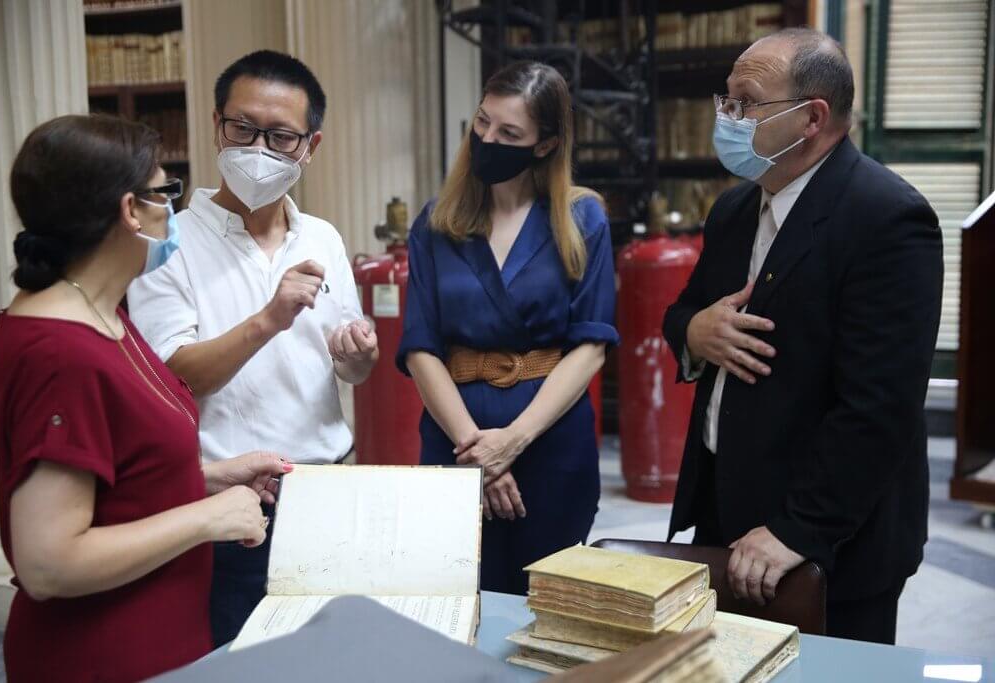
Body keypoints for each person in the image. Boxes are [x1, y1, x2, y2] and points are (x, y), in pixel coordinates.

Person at [0, 114, 291, 683]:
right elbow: (49, 562)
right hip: (100, 656)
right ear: (130, 210)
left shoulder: (103, 312)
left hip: (161, 640)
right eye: (163, 192)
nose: (170, 210)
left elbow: (115, 481)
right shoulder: (60, 352)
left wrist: (208, 476)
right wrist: (207, 517)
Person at [663, 28, 943, 644]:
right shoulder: (734, 211)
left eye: (747, 103)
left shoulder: (887, 217)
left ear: (811, 117)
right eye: (726, 102)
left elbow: (881, 406)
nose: (729, 119)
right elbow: (683, 312)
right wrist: (695, 332)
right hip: (725, 507)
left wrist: (798, 528)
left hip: (829, 533)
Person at [127, 50, 377, 646]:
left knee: (326, 655)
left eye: (281, 136)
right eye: (243, 127)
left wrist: (357, 358)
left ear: (310, 145)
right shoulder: (172, 240)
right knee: (235, 658)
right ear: (217, 125)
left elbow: (348, 365)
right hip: (228, 500)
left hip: (324, 488)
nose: (259, 148)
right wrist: (269, 318)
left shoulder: (322, 237)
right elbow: (174, 377)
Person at [397, 61, 619, 596]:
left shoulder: (583, 219)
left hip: (551, 443)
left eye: (509, 133)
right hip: (455, 442)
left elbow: (590, 347)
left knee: (545, 606)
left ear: (545, 144)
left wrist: (512, 443)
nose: (487, 139)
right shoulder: (435, 223)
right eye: (482, 122)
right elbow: (421, 348)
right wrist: (480, 454)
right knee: (455, 600)